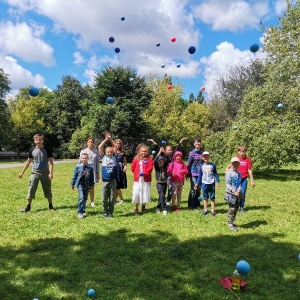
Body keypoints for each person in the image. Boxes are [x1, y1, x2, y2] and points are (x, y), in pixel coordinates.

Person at [18, 133, 55, 213]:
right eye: (37, 140)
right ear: (34, 141)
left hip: (45, 174)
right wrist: (22, 173)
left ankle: (50, 206)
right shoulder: (32, 150)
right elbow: (28, 162)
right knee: (31, 190)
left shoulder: (47, 149)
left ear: (42, 140)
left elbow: (51, 162)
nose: (38, 141)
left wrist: (51, 173)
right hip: (34, 173)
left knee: (48, 190)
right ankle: (28, 207)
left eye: (40, 140)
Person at [147, 137, 188, 205]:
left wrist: (181, 141)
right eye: (167, 150)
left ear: (172, 151)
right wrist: (153, 142)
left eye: (170, 150)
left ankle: (168, 200)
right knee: (168, 188)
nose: (169, 151)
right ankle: (166, 200)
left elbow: (177, 149)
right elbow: (159, 148)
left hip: (173, 175)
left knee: (170, 189)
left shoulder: (173, 157)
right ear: (165, 151)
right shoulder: (164, 156)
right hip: (166, 175)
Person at [226, 145, 255, 213]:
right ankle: (234, 204)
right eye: (241, 151)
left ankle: (241, 206)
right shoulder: (236, 159)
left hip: (244, 179)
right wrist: (227, 171)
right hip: (236, 179)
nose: (242, 153)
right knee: (234, 192)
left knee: (242, 192)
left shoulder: (247, 160)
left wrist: (252, 180)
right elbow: (230, 166)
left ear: (245, 152)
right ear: (238, 152)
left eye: (244, 151)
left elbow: (249, 170)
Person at [194, 151, 220, 216]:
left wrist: (218, 181)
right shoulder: (201, 166)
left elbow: (215, 174)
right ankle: (205, 210)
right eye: (204, 156)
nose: (205, 157)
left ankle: (213, 210)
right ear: (202, 157)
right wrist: (197, 184)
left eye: (207, 156)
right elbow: (200, 176)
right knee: (205, 197)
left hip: (211, 183)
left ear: (209, 157)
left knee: (212, 197)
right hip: (204, 183)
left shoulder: (212, 165)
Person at [98, 133, 117, 218]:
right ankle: (105, 212)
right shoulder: (103, 157)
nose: (109, 153)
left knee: (112, 198)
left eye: (110, 152)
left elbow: (115, 147)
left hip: (112, 180)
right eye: (108, 152)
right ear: (105, 152)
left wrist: (111, 139)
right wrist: (106, 140)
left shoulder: (114, 157)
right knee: (104, 198)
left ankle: (111, 213)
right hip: (105, 180)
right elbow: (99, 147)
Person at [131, 145, 154, 215]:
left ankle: (143, 206)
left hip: (146, 179)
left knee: (145, 192)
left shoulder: (149, 159)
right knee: (137, 193)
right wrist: (137, 173)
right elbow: (132, 168)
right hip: (138, 180)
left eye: (145, 151)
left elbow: (150, 168)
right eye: (142, 151)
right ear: (139, 152)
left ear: (147, 152)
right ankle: (136, 207)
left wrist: (144, 173)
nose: (143, 153)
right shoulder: (136, 159)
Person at [71, 152, 94, 218]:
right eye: (83, 158)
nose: (84, 159)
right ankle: (79, 212)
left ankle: (83, 211)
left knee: (85, 198)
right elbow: (74, 175)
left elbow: (91, 177)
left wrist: (91, 185)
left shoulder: (90, 167)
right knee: (81, 198)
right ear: (81, 159)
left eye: (85, 158)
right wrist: (72, 183)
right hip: (80, 184)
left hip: (87, 185)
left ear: (88, 159)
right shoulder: (78, 166)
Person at [79, 137, 99, 207]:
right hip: (85, 171)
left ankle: (92, 201)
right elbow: (80, 162)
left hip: (93, 171)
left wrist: (97, 173)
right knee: (85, 186)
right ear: (86, 143)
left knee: (92, 187)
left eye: (91, 142)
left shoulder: (96, 151)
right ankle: (85, 200)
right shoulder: (83, 151)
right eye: (89, 142)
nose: (90, 143)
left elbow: (97, 163)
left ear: (93, 143)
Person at [225, 157, 242, 232]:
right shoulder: (229, 172)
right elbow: (227, 184)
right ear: (231, 164)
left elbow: (239, 184)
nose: (235, 164)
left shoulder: (239, 173)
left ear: (239, 164)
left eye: (237, 163)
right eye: (234, 163)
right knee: (232, 209)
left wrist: (238, 190)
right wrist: (233, 191)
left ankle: (232, 221)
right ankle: (230, 224)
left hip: (237, 193)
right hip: (231, 194)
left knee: (236, 208)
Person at [187, 137, 204, 210]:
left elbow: (204, 162)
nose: (198, 143)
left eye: (199, 142)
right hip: (193, 173)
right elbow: (188, 164)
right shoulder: (192, 153)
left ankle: (197, 204)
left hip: (200, 174)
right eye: (196, 142)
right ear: (194, 144)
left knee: (199, 190)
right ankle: (191, 205)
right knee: (193, 189)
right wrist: (188, 173)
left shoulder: (202, 152)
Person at [113, 139, 127, 204]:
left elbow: (125, 161)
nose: (118, 145)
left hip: (120, 169)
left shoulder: (122, 152)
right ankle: (115, 199)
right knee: (116, 185)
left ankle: (121, 199)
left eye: (119, 143)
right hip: (114, 169)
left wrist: (125, 166)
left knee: (118, 185)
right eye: (116, 143)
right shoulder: (113, 151)